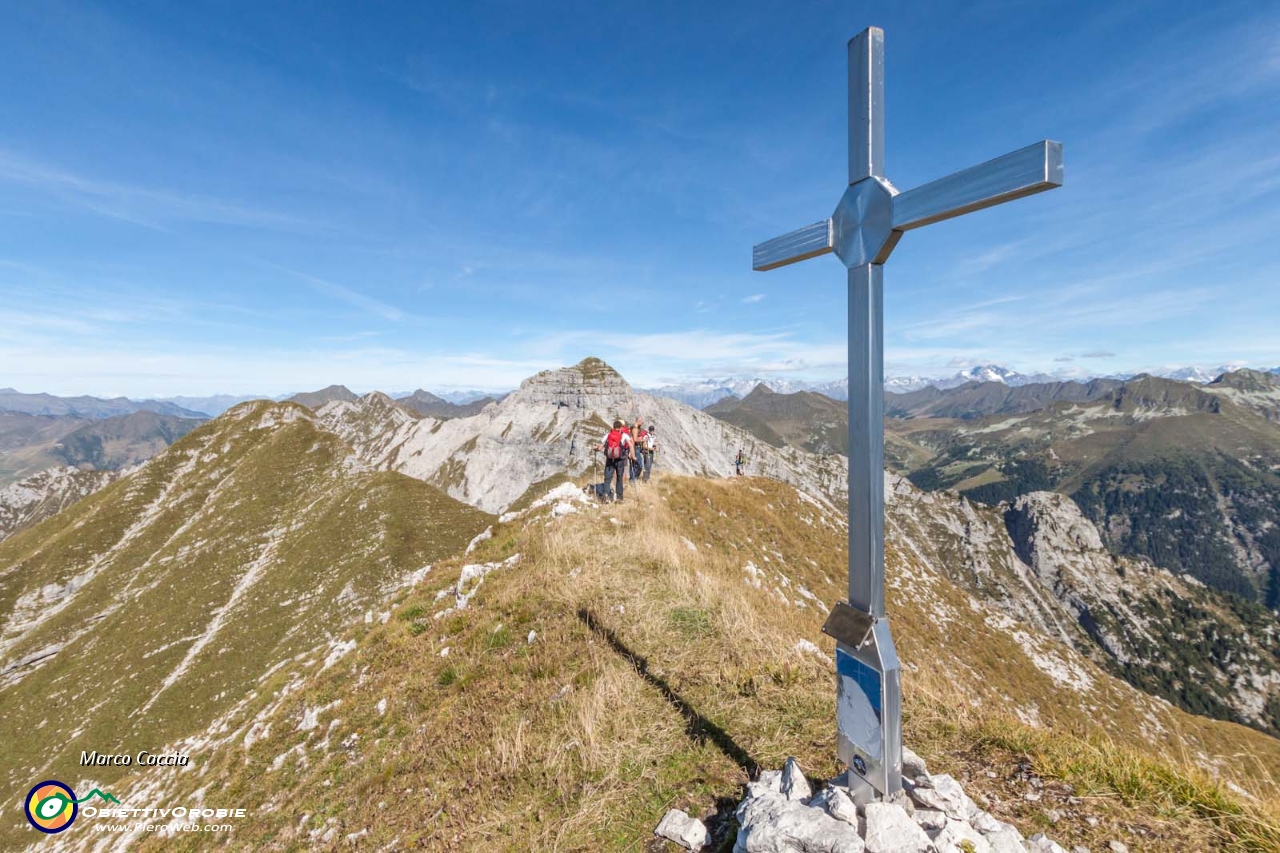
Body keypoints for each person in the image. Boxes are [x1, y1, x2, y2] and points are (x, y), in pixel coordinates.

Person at [598, 419, 633, 503]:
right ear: (621, 427)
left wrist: (596, 449)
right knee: (619, 478)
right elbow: (631, 445)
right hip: (620, 459)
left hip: (610, 459)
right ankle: (619, 498)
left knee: (607, 478)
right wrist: (630, 454)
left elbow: (600, 447)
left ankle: (606, 496)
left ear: (613, 427)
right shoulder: (624, 435)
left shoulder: (608, 435)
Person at [630, 418, 646, 483]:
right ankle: (633, 479)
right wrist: (643, 440)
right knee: (639, 465)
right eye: (641, 423)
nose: (642, 424)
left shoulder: (634, 428)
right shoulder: (635, 428)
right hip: (635, 448)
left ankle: (633, 479)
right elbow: (635, 439)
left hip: (637, 448)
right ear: (638, 421)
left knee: (636, 465)